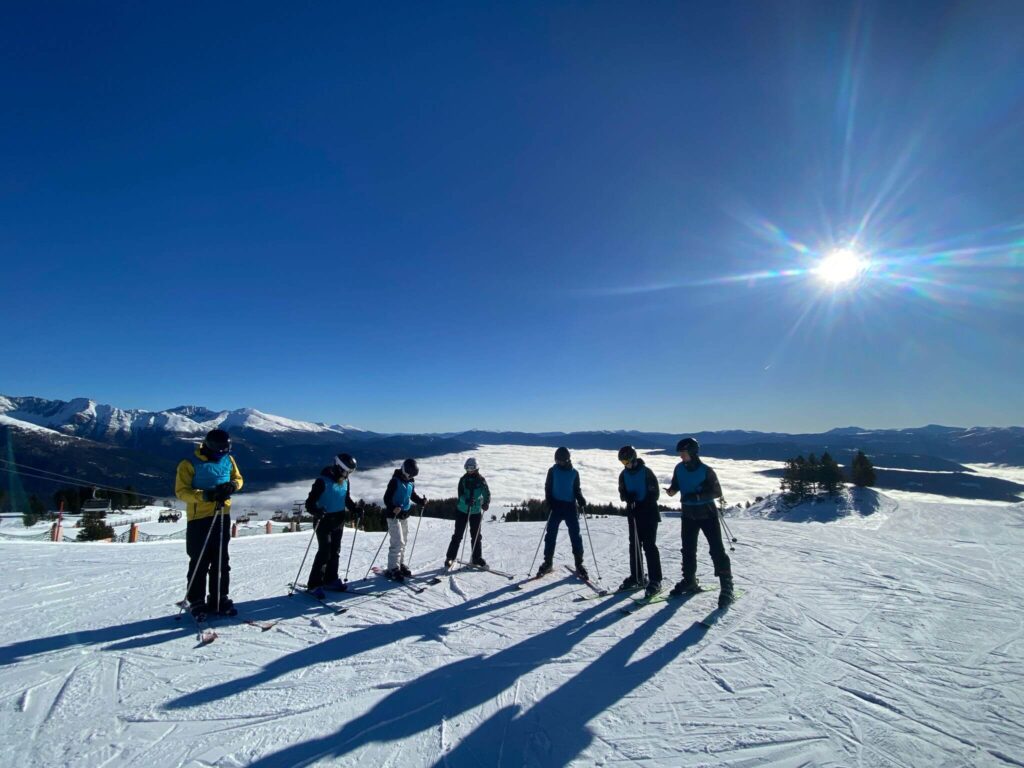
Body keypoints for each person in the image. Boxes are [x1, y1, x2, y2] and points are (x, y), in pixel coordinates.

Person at [174, 428, 244, 618]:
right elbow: (181, 491)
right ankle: (197, 600)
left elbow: (238, 478)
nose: (222, 453)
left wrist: (232, 486)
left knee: (221, 560)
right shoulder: (189, 463)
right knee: (199, 560)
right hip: (200, 518)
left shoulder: (228, 460)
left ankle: (219, 597)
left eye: (226, 449)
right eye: (220, 449)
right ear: (209, 446)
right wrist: (205, 495)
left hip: (222, 514)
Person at [666, 437, 734, 607]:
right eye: (680, 453)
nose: (681, 456)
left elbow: (717, 492)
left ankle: (727, 586)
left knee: (716, 549)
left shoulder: (706, 470)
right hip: (688, 515)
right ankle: (689, 580)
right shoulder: (679, 468)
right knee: (688, 550)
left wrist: (697, 496)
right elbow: (676, 486)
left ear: (693, 453)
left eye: (683, 453)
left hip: (707, 515)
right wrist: (671, 491)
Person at [304, 453, 360, 597]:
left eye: (350, 472)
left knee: (335, 551)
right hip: (323, 522)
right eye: (346, 471)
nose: (348, 475)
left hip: (338, 521)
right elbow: (309, 503)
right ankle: (314, 584)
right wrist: (317, 511)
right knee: (325, 552)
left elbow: (346, 499)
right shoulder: (322, 482)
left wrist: (355, 509)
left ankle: (330, 579)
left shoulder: (345, 481)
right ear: (338, 467)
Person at [617, 445, 663, 598]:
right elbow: (622, 492)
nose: (625, 464)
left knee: (649, 545)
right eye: (622, 462)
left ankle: (655, 579)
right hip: (633, 513)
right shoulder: (623, 475)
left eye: (626, 461)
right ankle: (637, 576)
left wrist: (643, 503)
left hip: (648, 513)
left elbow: (655, 493)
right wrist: (627, 498)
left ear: (633, 458)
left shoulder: (646, 472)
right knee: (634, 545)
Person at [538, 447, 588, 579]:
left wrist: (581, 498)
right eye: (556, 460)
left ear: (567, 460)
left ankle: (579, 563)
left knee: (575, 535)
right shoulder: (552, 471)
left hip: (570, 507)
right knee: (550, 535)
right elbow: (547, 488)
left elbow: (576, 489)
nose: (558, 463)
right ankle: (548, 563)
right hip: (556, 506)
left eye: (560, 461)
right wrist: (550, 502)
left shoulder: (574, 473)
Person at [382, 458, 427, 581]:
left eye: (413, 475)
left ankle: (400, 564)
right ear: (404, 470)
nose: (410, 476)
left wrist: (420, 501)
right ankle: (392, 568)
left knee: (404, 541)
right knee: (397, 542)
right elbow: (386, 498)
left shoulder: (410, 481)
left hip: (404, 515)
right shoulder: (394, 481)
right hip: (393, 516)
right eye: (409, 474)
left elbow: (412, 495)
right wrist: (393, 507)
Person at [444, 457, 490, 568]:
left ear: (476, 468)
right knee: (458, 535)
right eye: (468, 468)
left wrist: (486, 503)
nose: (469, 470)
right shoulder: (463, 480)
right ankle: (450, 557)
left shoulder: (481, 481)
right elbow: (460, 495)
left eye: (472, 468)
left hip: (476, 511)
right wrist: (467, 500)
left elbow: (486, 493)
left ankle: (476, 558)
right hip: (462, 510)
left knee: (476, 536)